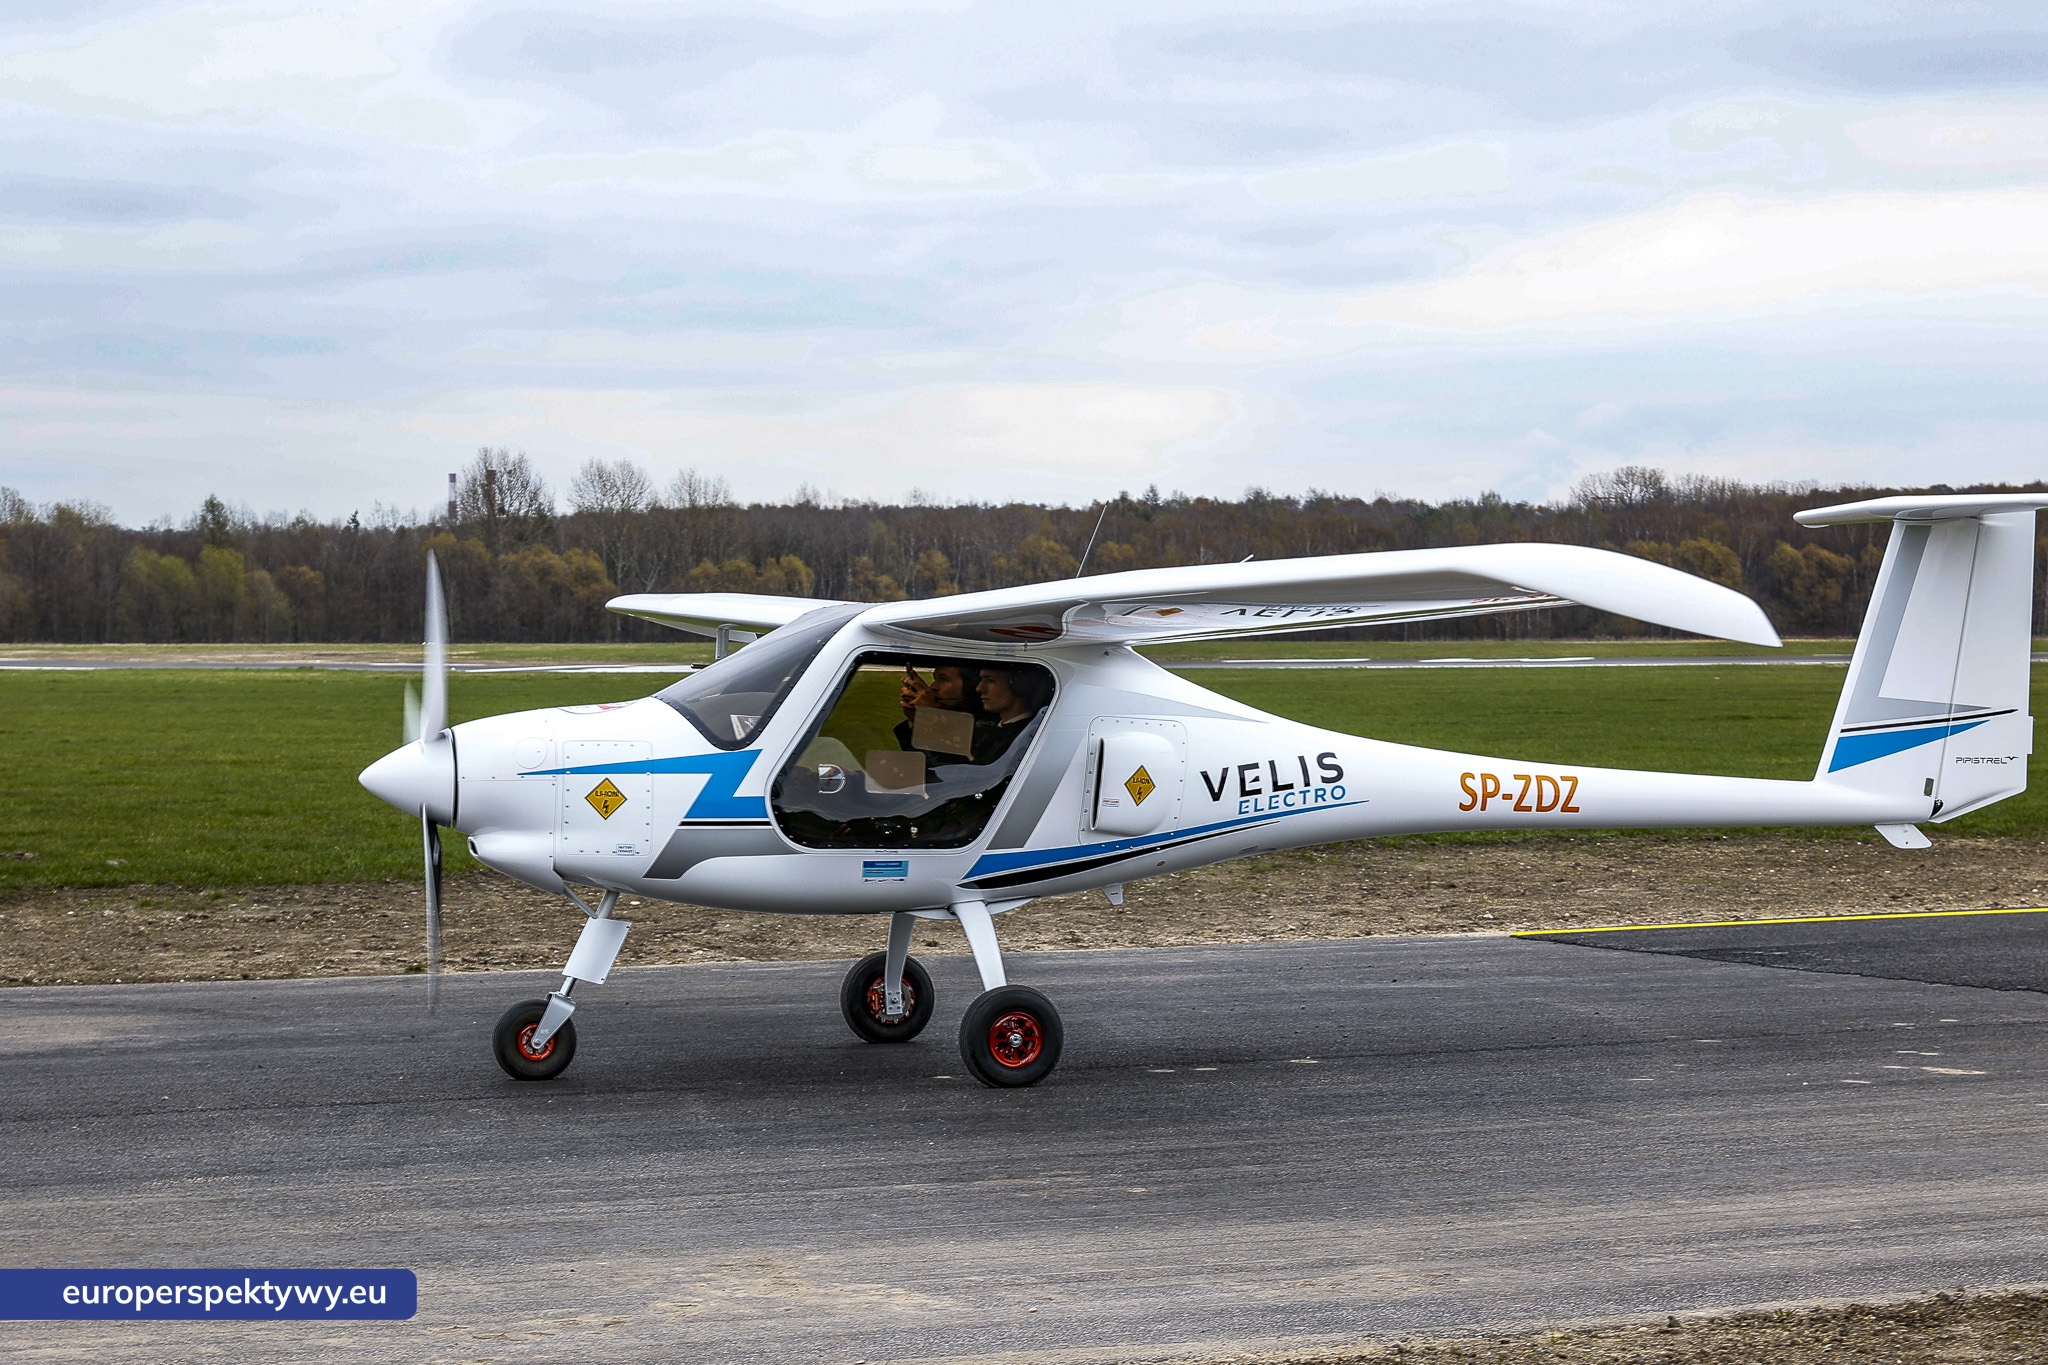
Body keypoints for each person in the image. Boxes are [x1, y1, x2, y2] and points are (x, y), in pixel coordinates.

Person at [894, 664, 981, 755]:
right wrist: (916, 720)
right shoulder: (957, 720)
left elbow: (943, 762)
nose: (932, 687)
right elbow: (915, 758)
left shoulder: (982, 728)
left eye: (943, 679)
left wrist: (933, 721)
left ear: (972, 686)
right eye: (935, 679)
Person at [972, 666, 1052, 764]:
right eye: (981, 680)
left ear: (1019, 685)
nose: (979, 688)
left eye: (990, 680)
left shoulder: (1026, 739)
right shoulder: (985, 727)